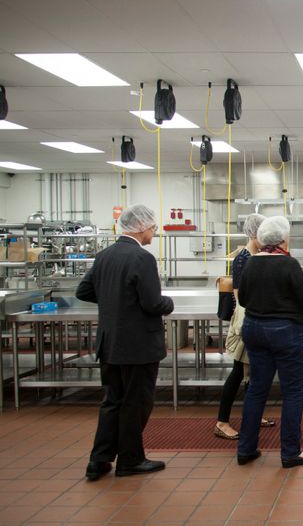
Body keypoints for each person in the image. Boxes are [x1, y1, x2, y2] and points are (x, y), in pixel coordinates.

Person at [77, 204, 174, 481]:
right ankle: (131, 460)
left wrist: (114, 302)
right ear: (142, 227)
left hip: (110, 342)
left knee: (112, 400)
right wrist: (169, 303)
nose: (153, 233)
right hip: (138, 345)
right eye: (153, 228)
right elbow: (153, 303)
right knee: (136, 402)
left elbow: (84, 290)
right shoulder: (141, 258)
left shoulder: (104, 255)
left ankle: (99, 460)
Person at [236, 216, 303, 468]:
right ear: (283, 239)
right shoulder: (289, 264)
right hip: (284, 332)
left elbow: (244, 300)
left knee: (257, 389)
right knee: (292, 391)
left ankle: (246, 449)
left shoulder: (249, 263)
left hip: (254, 329)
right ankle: (291, 452)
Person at [213, 213, 275, 440]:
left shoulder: (257, 256)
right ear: (252, 233)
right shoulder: (243, 258)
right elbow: (241, 296)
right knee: (239, 371)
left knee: (254, 371)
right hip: (246, 320)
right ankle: (222, 422)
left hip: (256, 317)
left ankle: (254, 413)